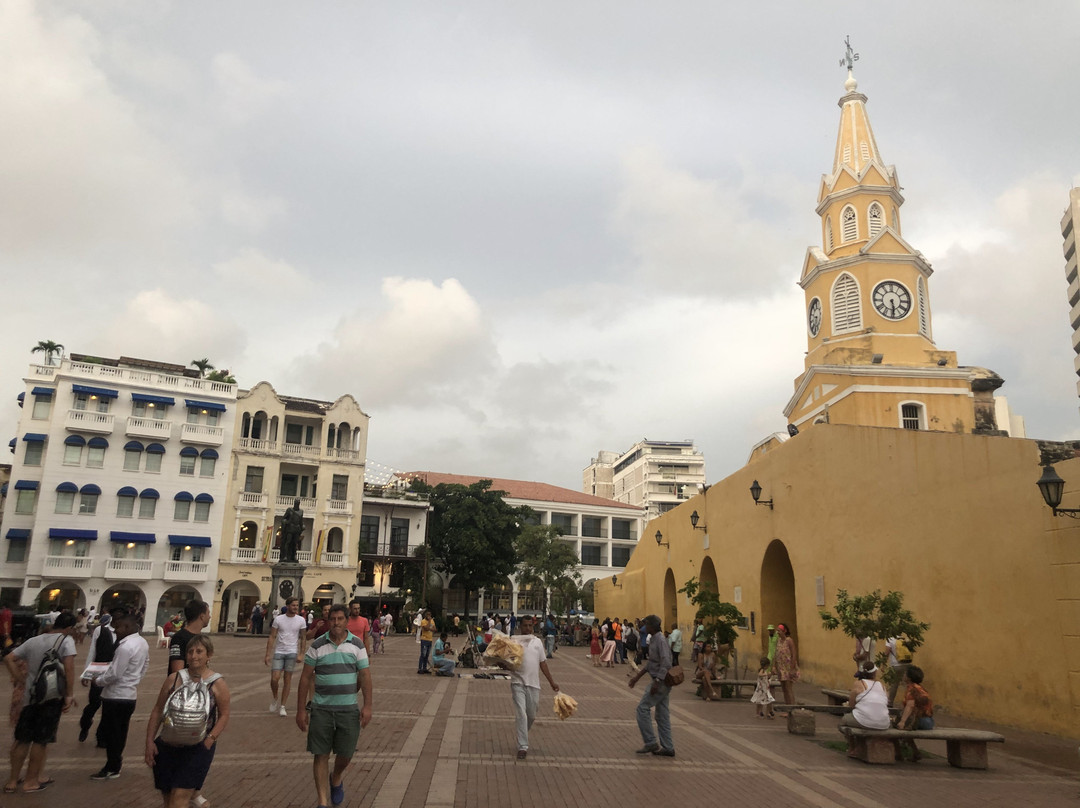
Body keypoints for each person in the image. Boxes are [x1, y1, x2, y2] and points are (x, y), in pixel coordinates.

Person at [296, 603, 372, 808]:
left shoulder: (357, 645)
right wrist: (301, 710)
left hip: (348, 708)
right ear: (328, 621)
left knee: (346, 754)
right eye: (333, 619)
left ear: (347, 621)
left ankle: (336, 776)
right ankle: (322, 801)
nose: (336, 623)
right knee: (320, 753)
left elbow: (365, 676)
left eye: (340, 619)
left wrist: (367, 706)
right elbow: (305, 678)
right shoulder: (317, 645)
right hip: (322, 708)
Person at [145, 635, 231, 808]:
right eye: (190, 651)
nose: (194, 656)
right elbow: (157, 710)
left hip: (197, 748)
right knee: (168, 798)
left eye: (199, 651)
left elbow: (224, 714)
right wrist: (149, 742)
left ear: (209, 655)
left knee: (180, 799)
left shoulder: (217, 683)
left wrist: (210, 739)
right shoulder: (174, 679)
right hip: (167, 745)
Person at [3, 612, 76, 793]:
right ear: (69, 628)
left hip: (30, 697)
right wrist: (69, 694)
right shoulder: (66, 641)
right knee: (40, 741)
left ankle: (12, 781)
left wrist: (20, 678)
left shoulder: (34, 640)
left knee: (22, 739)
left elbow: (8, 658)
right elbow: (69, 669)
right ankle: (31, 781)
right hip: (50, 698)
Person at [92, 613, 149, 780]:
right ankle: (114, 764)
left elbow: (115, 674)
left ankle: (112, 766)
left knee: (113, 732)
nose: (115, 631)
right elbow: (146, 663)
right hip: (129, 695)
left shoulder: (125, 647)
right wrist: (136, 679)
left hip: (116, 695)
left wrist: (99, 681)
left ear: (127, 627)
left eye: (118, 627)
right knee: (121, 731)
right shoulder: (142, 642)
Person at [493, 614, 558, 760]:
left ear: (533, 626)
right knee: (521, 714)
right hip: (518, 682)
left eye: (530, 625)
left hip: (534, 684)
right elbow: (505, 661)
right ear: (520, 626)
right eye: (525, 625)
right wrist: (500, 663)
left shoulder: (537, 642)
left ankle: (523, 732)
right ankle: (523, 746)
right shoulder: (513, 641)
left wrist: (552, 682)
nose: (527, 628)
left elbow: (543, 663)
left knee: (531, 715)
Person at [629, 615, 674, 757]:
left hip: (661, 681)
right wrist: (637, 677)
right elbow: (651, 664)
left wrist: (658, 682)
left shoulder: (660, 640)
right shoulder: (654, 639)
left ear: (653, 626)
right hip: (658, 679)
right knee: (662, 715)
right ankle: (668, 747)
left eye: (646, 624)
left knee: (642, 709)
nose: (644, 627)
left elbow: (666, 662)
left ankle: (650, 742)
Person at [80, 610, 119, 745]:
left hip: (113, 674)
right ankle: (85, 724)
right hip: (98, 671)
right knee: (94, 703)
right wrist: (87, 673)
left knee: (108, 706)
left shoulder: (125, 633)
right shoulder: (100, 630)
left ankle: (101, 737)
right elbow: (93, 651)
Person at [265, 597, 307, 716]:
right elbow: (272, 636)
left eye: (297, 605)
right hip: (279, 651)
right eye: (293, 605)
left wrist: (301, 653)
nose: (295, 608)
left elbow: (303, 637)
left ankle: (283, 706)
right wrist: (268, 654)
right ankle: (275, 697)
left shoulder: (301, 620)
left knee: (287, 680)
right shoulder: (278, 619)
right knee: (275, 678)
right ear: (287, 606)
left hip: (292, 651)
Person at [840, 662, 891, 755]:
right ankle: (861, 746)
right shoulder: (882, 685)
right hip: (884, 723)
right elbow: (886, 701)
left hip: (864, 721)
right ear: (875, 673)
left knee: (845, 720)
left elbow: (851, 705)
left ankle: (852, 747)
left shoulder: (858, 684)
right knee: (861, 718)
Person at [895, 665, 934, 762]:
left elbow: (910, 705)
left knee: (895, 728)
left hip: (920, 720)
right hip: (929, 721)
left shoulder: (912, 689)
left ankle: (898, 754)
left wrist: (902, 721)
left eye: (905, 674)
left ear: (909, 678)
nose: (903, 676)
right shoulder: (921, 688)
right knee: (905, 730)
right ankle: (916, 752)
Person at [168, 600, 210, 675]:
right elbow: (177, 672)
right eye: (208, 613)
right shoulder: (179, 638)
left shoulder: (201, 638)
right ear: (202, 616)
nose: (210, 617)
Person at [771, 623, 799, 705]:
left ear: (784, 631)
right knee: (784, 689)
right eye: (777, 631)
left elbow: (794, 654)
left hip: (788, 668)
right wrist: (774, 666)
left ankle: (792, 707)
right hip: (781, 668)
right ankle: (787, 708)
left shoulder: (789, 640)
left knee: (788, 688)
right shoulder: (778, 641)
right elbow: (776, 654)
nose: (778, 632)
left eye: (779, 631)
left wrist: (792, 668)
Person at [885, 636, 913, 706]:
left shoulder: (890, 639)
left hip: (895, 665)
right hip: (907, 664)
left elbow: (887, 653)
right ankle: (909, 702)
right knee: (908, 685)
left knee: (894, 685)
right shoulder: (904, 638)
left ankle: (890, 703)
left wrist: (883, 664)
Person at [280, 498, 304, 563]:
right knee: (288, 542)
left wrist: (302, 526)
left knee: (295, 543)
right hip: (290, 529)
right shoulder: (289, 510)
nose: (297, 504)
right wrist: (286, 521)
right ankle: (285, 556)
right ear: (294, 503)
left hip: (297, 529)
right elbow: (283, 519)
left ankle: (294, 555)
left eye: (298, 503)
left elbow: (301, 521)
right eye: (296, 503)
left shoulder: (301, 511)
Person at [417, 610, 435, 674]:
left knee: (427, 655)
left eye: (430, 615)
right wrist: (429, 622)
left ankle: (424, 668)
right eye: (427, 615)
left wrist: (430, 627)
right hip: (424, 639)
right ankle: (420, 668)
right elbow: (426, 628)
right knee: (423, 654)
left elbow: (434, 629)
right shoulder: (423, 621)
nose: (429, 616)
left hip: (430, 639)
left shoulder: (432, 621)